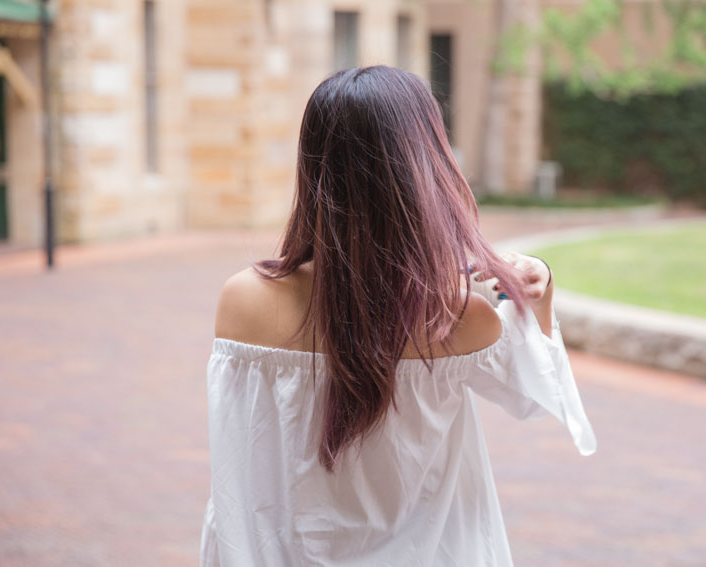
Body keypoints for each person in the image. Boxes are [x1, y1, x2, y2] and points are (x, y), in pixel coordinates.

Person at [199, 65, 596, 567]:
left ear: (314, 166)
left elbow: (237, 491)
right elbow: (535, 396)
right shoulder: (455, 316)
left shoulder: (244, 301)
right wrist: (541, 291)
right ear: (423, 167)